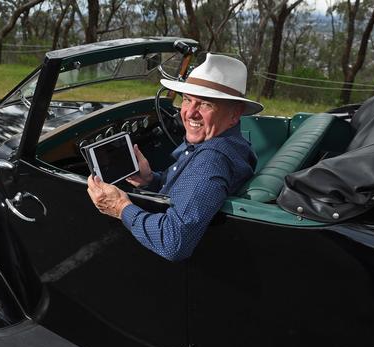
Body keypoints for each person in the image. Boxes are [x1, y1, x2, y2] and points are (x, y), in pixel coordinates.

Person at [87, 53, 263, 261]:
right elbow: (185, 189)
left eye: (206, 104)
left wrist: (120, 208)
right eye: (187, 100)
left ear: (235, 114)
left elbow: (173, 242)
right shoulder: (229, 143)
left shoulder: (211, 161)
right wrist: (150, 179)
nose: (190, 113)